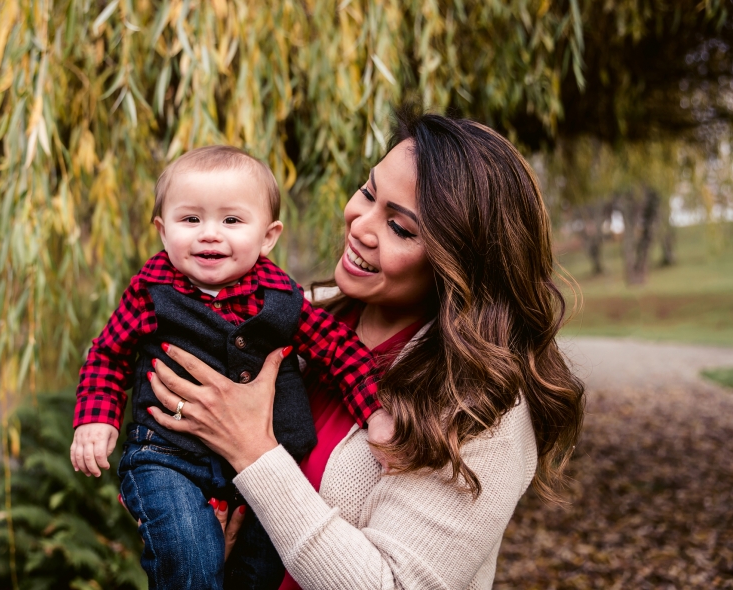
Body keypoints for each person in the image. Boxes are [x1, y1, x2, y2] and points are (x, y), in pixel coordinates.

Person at [143, 107, 586, 589]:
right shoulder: (295, 320)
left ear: (458, 265)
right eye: (368, 193)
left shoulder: (482, 405)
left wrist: (254, 451)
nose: (359, 225)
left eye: (400, 228)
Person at [69, 146, 393, 589]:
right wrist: (96, 417)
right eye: (190, 220)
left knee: (259, 572)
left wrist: (376, 412)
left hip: (268, 471)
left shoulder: (282, 300)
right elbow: (108, 354)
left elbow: (340, 350)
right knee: (190, 557)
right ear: (163, 231)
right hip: (168, 458)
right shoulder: (152, 291)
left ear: (269, 236)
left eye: (232, 221)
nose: (209, 235)